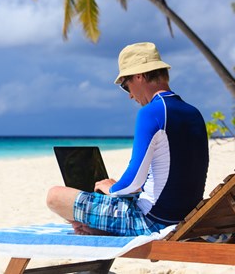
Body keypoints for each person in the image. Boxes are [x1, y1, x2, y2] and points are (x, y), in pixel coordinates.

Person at [47, 42, 209, 236]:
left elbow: (133, 180)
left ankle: (90, 226)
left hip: (152, 222)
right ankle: (92, 226)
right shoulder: (194, 113)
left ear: (139, 76)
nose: (130, 95)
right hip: (185, 216)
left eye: (126, 85)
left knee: (55, 196)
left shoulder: (152, 112)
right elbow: (175, 172)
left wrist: (112, 188)